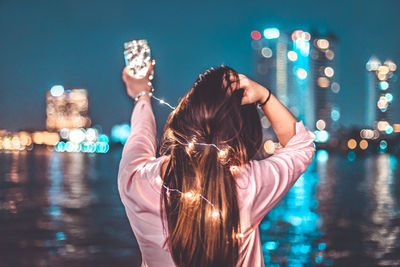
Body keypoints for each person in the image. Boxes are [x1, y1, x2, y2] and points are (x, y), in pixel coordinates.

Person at [118, 63, 316, 267]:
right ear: (245, 130)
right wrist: (264, 96)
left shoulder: (136, 181)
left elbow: (141, 134)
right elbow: (301, 146)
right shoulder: (249, 185)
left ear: (185, 113)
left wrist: (142, 93)